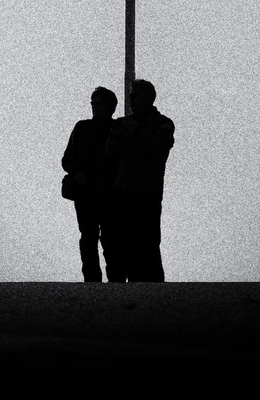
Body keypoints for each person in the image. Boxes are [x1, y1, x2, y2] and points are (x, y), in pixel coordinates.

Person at [105, 78, 175, 282]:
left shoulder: (162, 123)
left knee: (148, 244)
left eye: (134, 96)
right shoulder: (124, 124)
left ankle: (154, 293)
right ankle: (135, 290)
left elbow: (159, 148)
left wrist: (134, 130)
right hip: (124, 193)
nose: (131, 100)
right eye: (130, 96)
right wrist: (115, 136)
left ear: (148, 98)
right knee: (125, 244)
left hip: (147, 193)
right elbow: (109, 154)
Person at [62, 86, 123, 283]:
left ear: (110, 107)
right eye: (93, 103)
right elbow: (67, 158)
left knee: (111, 240)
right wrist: (77, 172)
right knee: (88, 238)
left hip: (109, 195)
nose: (95, 107)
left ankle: (116, 282)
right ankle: (92, 283)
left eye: (99, 104)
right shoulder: (82, 128)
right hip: (85, 195)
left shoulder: (117, 131)